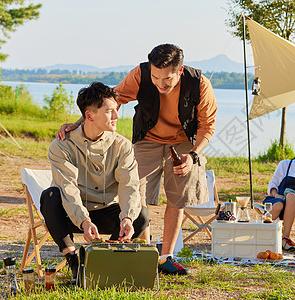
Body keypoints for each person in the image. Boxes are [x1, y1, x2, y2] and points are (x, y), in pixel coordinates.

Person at [56, 44, 217, 275]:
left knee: (178, 195)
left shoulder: (199, 83)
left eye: (167, 79)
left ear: (179, 71)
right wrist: (80, 123)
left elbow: (207, 127)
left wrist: (193, 156)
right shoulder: (139, 75)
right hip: (148, 137)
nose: (161, 83)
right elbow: (109, 101)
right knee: (133, 189)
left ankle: (165, 257)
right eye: (155, 76)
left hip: (184, 140)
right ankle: (143, 250)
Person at [41, 82, 150, 284]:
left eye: (116, 110)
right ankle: (74, 260)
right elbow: (68, 189)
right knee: (50, 197)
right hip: (74, 215)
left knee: (141, 214)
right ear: (89, 116)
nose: (116, 116)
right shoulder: (62, 146)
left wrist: (127, 217)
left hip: (107, 212)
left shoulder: (122, 146)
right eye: (110, 111)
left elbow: (129, 185)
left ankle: (110, 257)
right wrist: (83, 220)